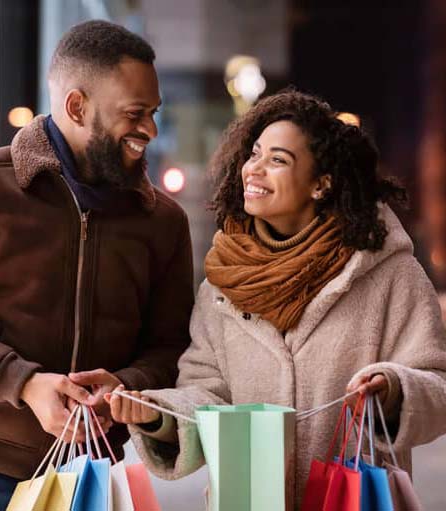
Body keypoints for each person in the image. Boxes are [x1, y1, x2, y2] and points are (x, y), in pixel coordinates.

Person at [75, 89, 446, 510]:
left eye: (278, 160)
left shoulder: (389, 275)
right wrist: (158, 414)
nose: (254, 169)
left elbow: (437, 381)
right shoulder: (224, 282)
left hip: (355, 501)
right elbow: (208, 389)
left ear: (320, 184)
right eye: (254, 154)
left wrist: (395, 390)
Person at [0, 20, 193, 510]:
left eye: (154, 113)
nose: (151, 131)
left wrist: (126, 385)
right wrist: (25, 384)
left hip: (93, 478)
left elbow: (173, 347)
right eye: (136, 113)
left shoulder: (164, 222)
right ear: (77, 106)